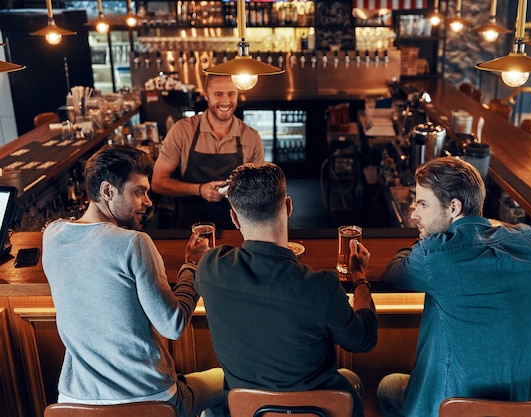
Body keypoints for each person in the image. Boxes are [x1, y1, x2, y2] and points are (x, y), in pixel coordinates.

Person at [42, 145, 224, 417]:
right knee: (227, 379)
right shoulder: (133, 243)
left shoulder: (52, 235)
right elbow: (172, 324)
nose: (148, 201)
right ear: (107, 191)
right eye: (139, 192)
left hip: (74, 402)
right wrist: (192, 265)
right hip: (150, 401)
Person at [376, 156, 531, 417]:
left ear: (453, 207)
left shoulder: (434, 256)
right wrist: (492, 227)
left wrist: (424, 242)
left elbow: (393, 272)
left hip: (456, 410)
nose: (414, 214)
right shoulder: (530, 243)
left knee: (388, 386)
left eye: (423, 204)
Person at [194, 162, 378, 417]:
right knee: (351, 381)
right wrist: (360, 279)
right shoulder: (321, 287)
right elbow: (364, 339)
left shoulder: (210, 268)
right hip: (319, 411)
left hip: (246, 410)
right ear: (289, 207)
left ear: (234, 218)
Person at [152, 74, 265, 230]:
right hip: (190, 228)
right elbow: (158, 183)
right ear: (206, 95)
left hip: (236, 228)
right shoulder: (182, 130)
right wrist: (199, 190)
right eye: (218, 94)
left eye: (231, 94)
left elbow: (259, 190)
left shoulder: (251, 137)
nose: (225, 101)